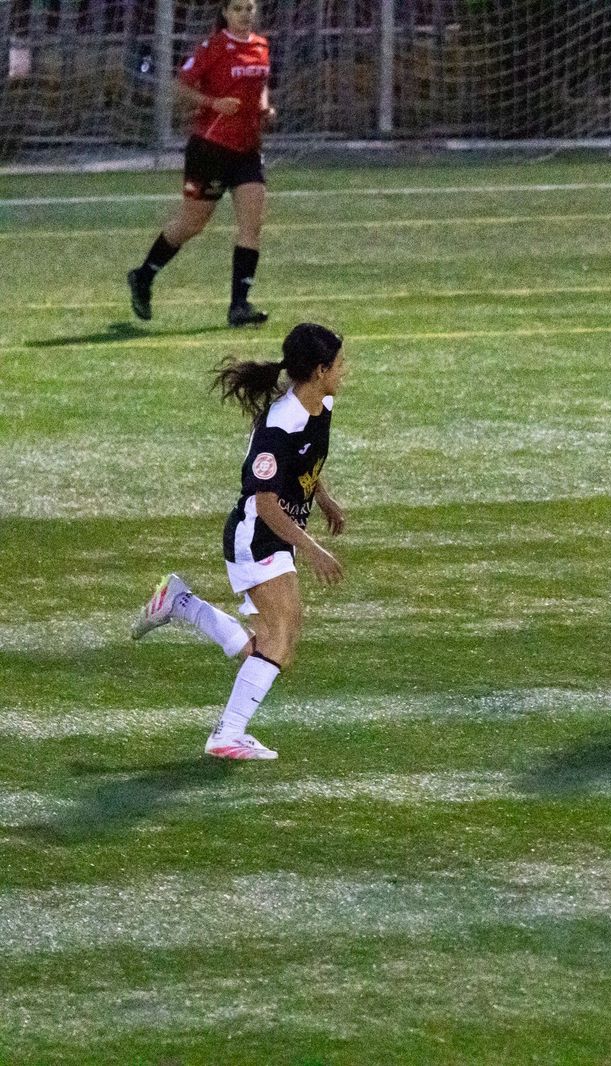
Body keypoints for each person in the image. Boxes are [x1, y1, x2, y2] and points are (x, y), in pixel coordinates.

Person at [132, 323, 349, 759]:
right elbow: (266, 504)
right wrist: (313, 549)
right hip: (258, 536)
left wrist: (323, 498)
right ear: (320, 369)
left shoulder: (319, 404)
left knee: (272, 646)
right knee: (279, 640)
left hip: (276, 533)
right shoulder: (277, 425)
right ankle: (226, 735)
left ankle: (181, 603)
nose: (345, 371)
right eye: (340, 364)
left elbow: (307, 458)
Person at [127, 0, 275, 329]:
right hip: (211, 148)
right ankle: (143, 275)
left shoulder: (262, 46)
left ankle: (239, 306)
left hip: (248, 149)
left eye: (249, 7)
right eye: (237, 8)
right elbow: (180, 87)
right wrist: (214, 103)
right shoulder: (213, 47)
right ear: (224, 13)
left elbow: (260, 86)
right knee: (193, 223)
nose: (245, 14)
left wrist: (265, 107)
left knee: (252, 224)